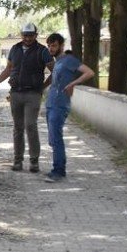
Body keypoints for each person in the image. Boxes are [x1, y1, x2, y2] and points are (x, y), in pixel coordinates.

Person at [0, 23, 53, 172]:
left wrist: (42, 87)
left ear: (35, 36)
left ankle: (34, 161)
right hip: (16, 93)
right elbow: (8, 70)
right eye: (25, 35)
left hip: (33, 94)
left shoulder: (42, 51)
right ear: (21, 35)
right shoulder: (15, 49)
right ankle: (17, 160)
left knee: (30, 125)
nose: (28, 38)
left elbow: (54, 71)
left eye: (31, 35)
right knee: (18, 128)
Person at [43, 33, 95, 182]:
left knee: (57, 138)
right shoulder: (57, 62)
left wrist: (73, 83)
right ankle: (57, 168)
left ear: (61, 45)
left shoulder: (69, 60)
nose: (51, 48)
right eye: (49, 46)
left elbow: (89, 72)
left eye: (53, 45)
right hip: (51, 104)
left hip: (60, 105)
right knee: (53, 139)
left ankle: (58, 171)